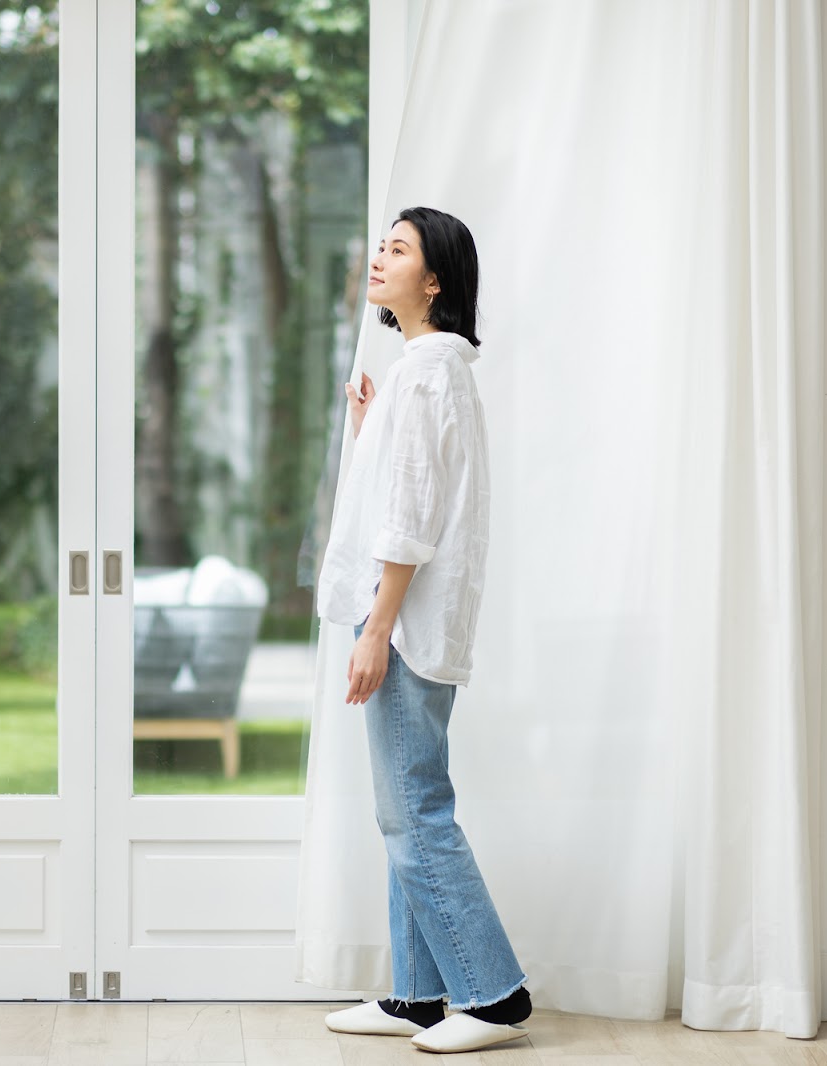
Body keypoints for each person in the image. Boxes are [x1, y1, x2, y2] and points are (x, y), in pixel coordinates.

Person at [318, 206, 532, 1054]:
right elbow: (411, 487)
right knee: (401, 809)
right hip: (410, 621)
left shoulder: (428, 372)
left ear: (435, 279)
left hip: (404, 626)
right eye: (381, 244)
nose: (380, 257)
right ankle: (417, 995)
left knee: (414, 809)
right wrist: (372, 429)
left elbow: (411, 521)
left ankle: (494, 996)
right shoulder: (422, 370)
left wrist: (377, 628)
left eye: (398, 250)